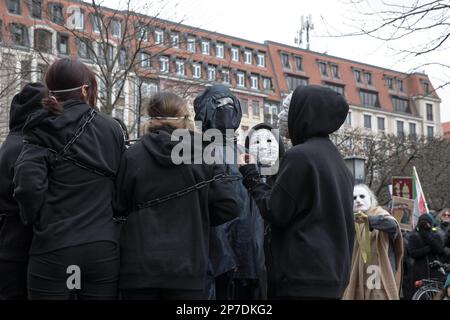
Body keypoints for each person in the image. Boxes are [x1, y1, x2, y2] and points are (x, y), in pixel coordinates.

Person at [13, 58, 125, 300]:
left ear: (51, 90)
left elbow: (28, 186)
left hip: (54, 246)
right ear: (85, 89)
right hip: (102, 247)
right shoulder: (112, 128)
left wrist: (35, 218)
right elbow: (121, 186)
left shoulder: (41, 126)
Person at [115, 92, 239, 300]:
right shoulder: (205, 152)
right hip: (187, 268)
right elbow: (229, 206)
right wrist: (198, 215)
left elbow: (118, 206)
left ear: (151, 117)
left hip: (139, 269)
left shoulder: (133, 154)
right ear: (184, 116)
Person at [239, 85, 355, 299]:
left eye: (287, 109)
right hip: (332, 276)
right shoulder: (338, 162)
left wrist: (251, 175)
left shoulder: (300, 156)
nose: (282, 116)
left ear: (305, 113)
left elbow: (275, 211)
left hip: (301, 277)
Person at [194, 85, 267, 300]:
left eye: (228, 104)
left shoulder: (244, 154)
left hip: (245, 252)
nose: (224, 110)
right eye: (217, 105)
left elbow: (255, 209)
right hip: (213, 253)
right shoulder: (195, 152)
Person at [0, 83, 45, 300]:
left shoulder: (12, 141)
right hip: (19, 247)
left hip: (8, 244)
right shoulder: (27, 146)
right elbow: (29, 193)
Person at [343, 184, 404, 300]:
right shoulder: (350, 223)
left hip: (379, 281)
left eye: (362, 196)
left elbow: (392, 225)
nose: (358, 200)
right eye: (354, 198)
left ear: (371, 199)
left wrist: (368, 220)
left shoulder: (380, 214)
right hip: (357, 279)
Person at [407, 213, 445, 295]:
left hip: (434, 270)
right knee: (419, 294)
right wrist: (428, 248)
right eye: (423, 222)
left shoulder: (435, 236)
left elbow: (440, 250)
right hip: (419, 271)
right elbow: (413, 253)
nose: (425, 225)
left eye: (427, 222)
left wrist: (428, 238)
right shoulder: (414, 236)